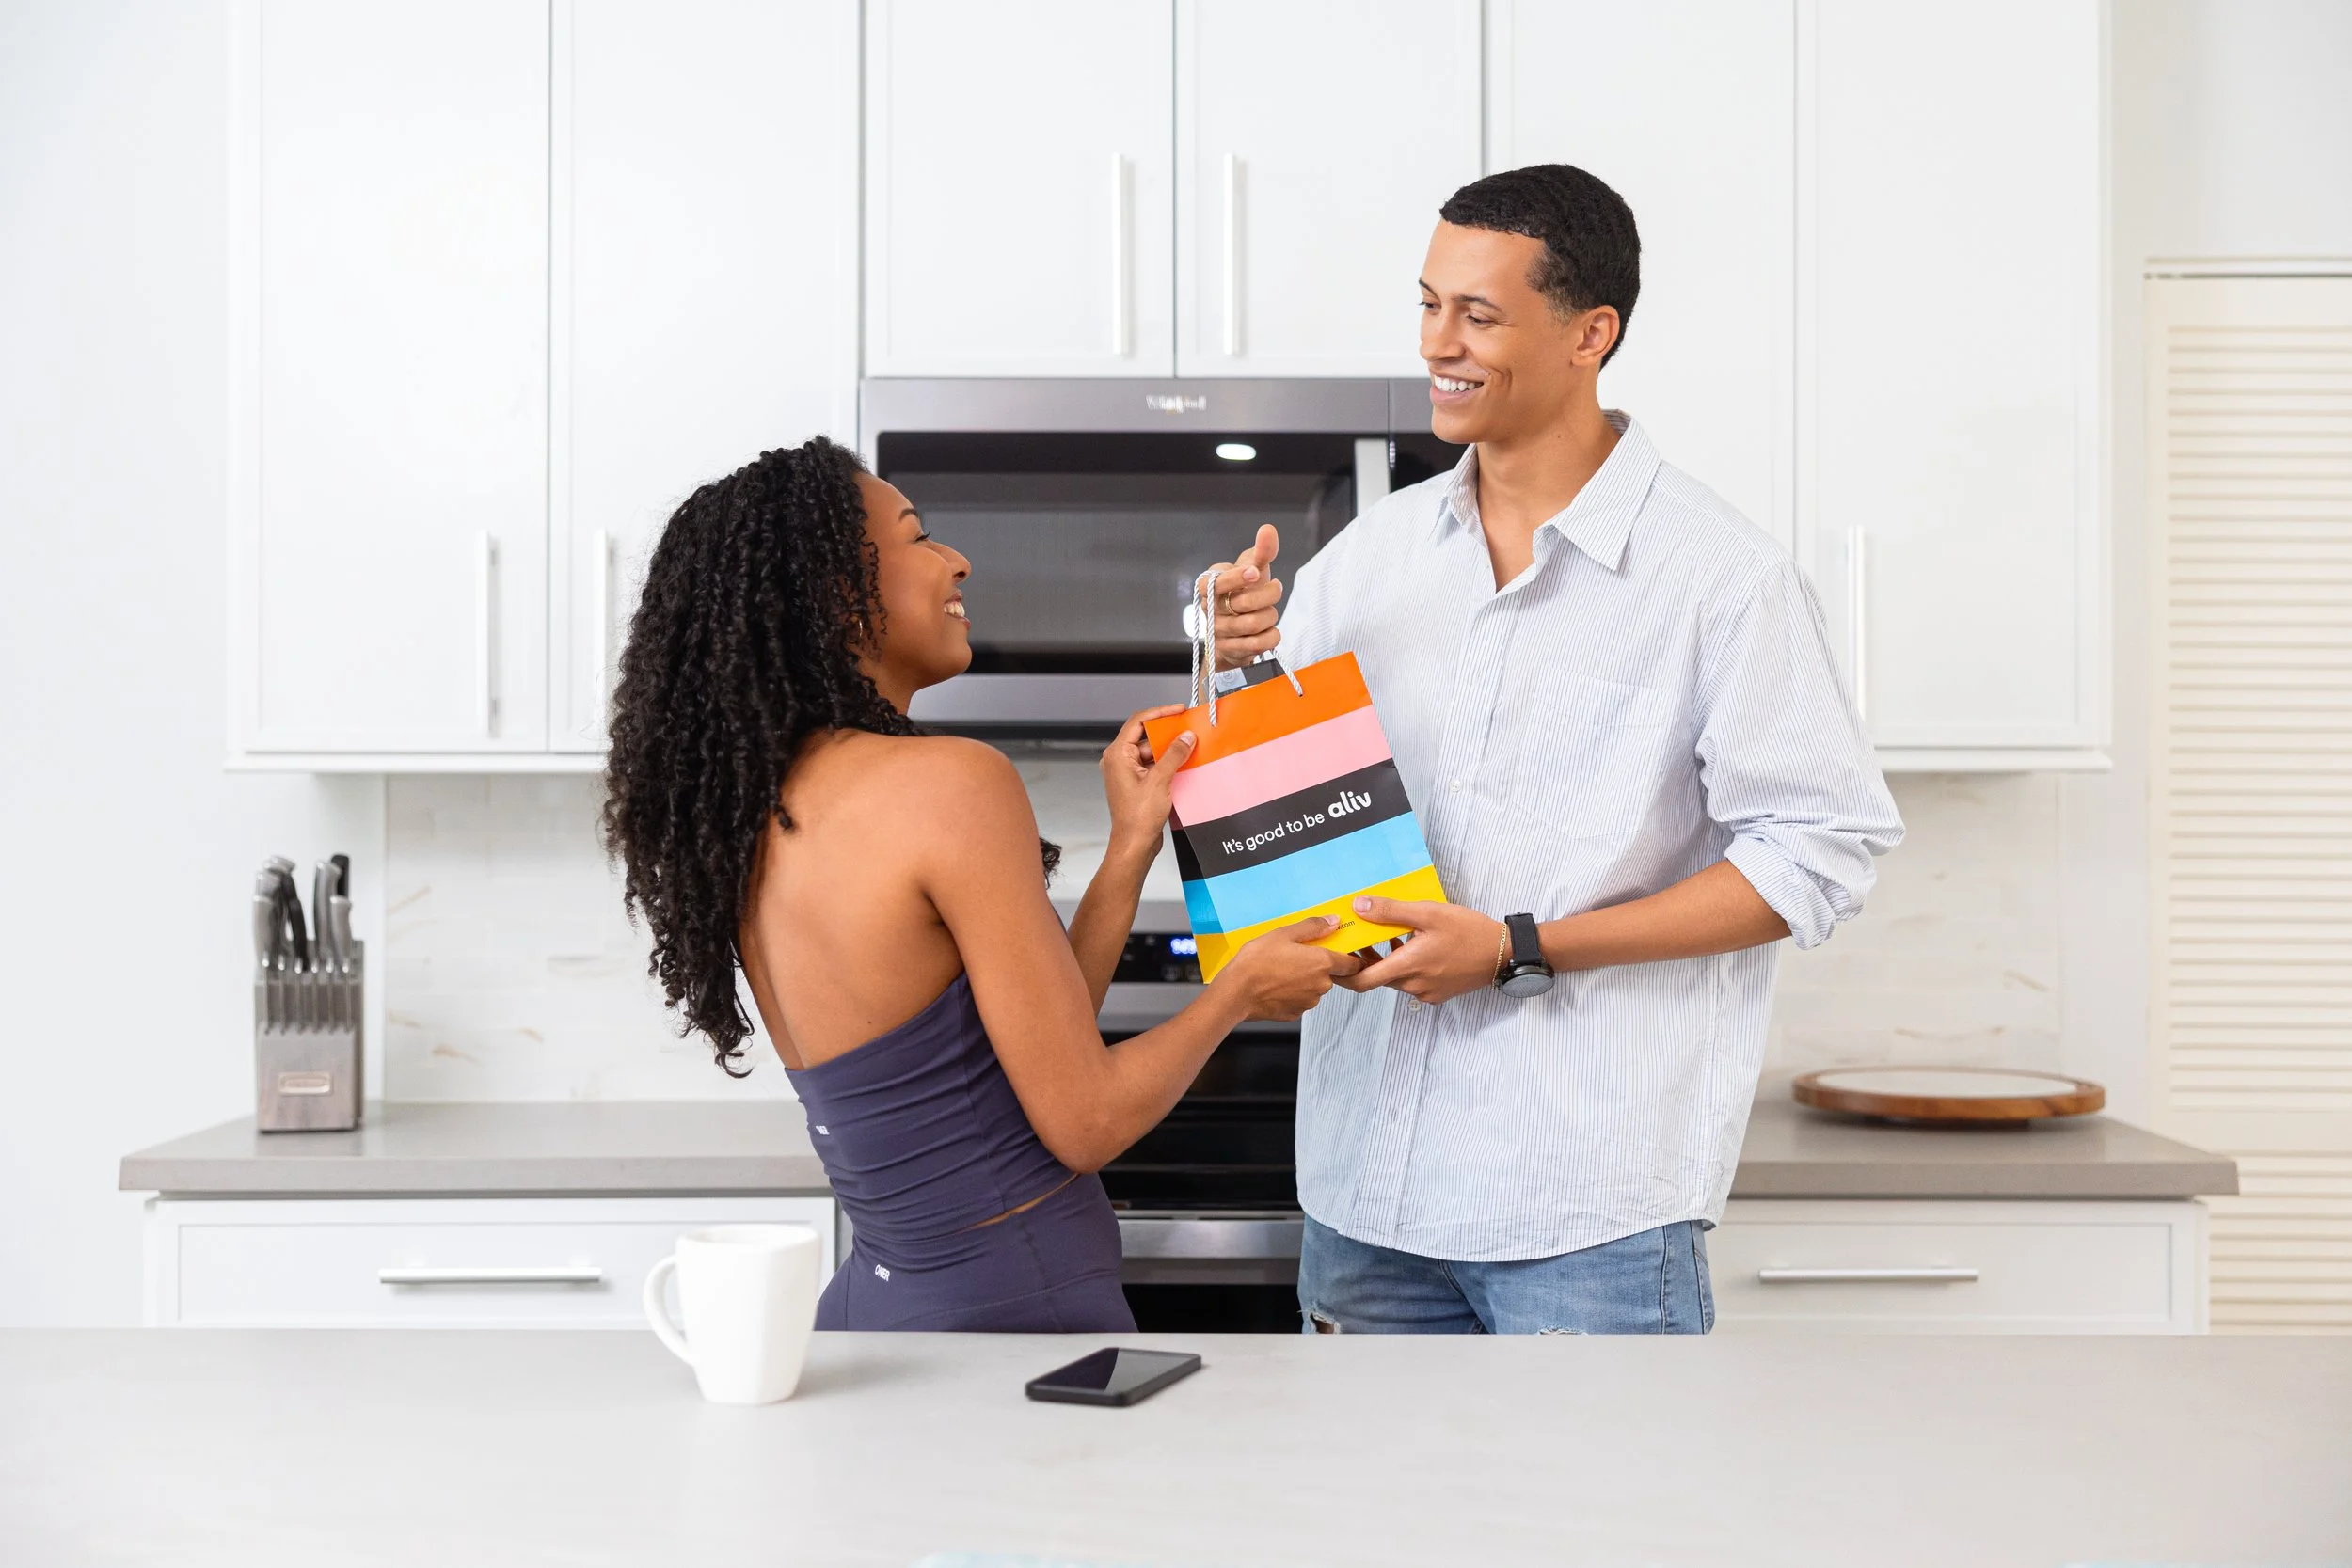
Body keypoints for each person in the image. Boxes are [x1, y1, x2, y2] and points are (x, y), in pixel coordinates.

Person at [1205, 164, 1906, 1335]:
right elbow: (1285, 799)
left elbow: (1818, 854)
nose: (1439, 343)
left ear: (1592, 333)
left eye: (1478, 314)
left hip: (1588, 1215)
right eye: (1428, 303)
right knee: (1359, 1526)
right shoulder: (1370, 561)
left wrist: (1518, 946)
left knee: (1598, 1525)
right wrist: (1233, 654)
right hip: (1361, 1193)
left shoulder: (1723, 581)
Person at [602, 436, 1353, 1332]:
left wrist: (1128, 850)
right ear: (836, 591)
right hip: (1012, 1326)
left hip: (874, 1314)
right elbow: (1084, 1119)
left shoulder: (753, 807)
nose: (956, 559)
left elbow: (1034, 1053)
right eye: (919, 539)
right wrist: (1237, 990)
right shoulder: (952, 783)